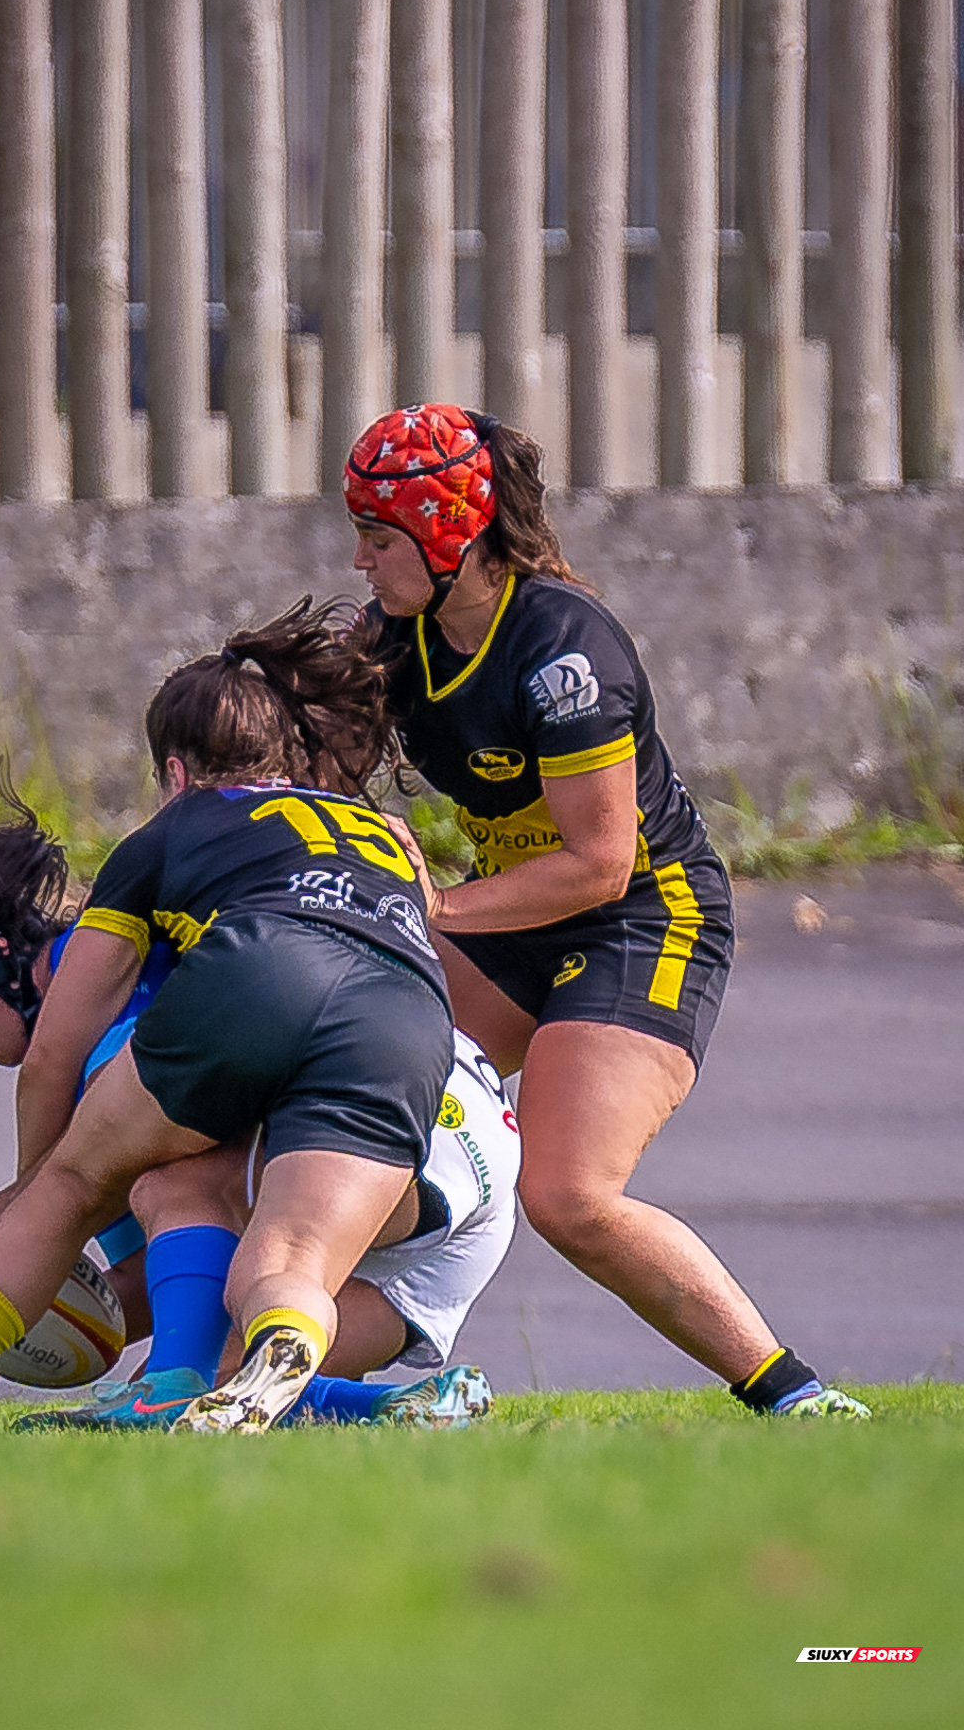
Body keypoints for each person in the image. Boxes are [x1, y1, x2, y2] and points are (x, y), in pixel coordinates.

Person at [343, 403, 869, 1420]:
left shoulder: (562, 652)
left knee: (567, 1197)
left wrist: (438, 903)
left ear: (445, 535)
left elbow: (596, 864)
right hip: (511, 918)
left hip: (639, 920)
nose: (359, 562)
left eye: (375, 538)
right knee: (346, 1066)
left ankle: (795, 1398)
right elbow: (305, 741)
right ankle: (283, 1336)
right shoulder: (395, 636)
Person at [0, 599, 468, 1435]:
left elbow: (54, 1056)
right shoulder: (381, 829)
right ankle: (281, 1351)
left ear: (176, 774)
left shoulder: (171, 831)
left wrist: (33, 1194)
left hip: (264, 968)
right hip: (409, 1016)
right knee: (288, 1258)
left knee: (73, 1180)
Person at [0, 804, 517, 1428]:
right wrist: (6, 1318)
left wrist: (18, 1211)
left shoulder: (114, 984)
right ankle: (398, 1409)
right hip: (452, 1124)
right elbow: (164, 1272)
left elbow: (69, 1176)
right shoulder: (243, 886)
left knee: (174, 1202)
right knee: (212, 1366)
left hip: (406, 1114)